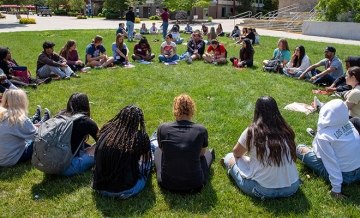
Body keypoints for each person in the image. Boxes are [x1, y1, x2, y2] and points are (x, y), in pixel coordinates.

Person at [221, 96, 300, 199]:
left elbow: (237, 153)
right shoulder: (286, 129)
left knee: (229, 157)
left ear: (257, 111)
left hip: (263, 190)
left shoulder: (252, 131)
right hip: (292, 187)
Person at [297, 99, 360, 199]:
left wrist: (336, 190)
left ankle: (311, 152)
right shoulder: (349, 124)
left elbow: (331, 164)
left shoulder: (324, 136)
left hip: (346, 177)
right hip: (358, 170)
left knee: (299, 148)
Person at [154, 94, 215, 194]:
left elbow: (163, 151)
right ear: (192, 111)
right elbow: (201, 154)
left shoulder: (163, 128)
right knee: (207, 154)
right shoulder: (201, 130)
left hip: (167, 184)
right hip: (196, 185)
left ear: (175, 111)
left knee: (157, 151)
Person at [92, 105, 151, 199]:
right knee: (148, 160)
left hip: (100, 187)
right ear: (138, 121)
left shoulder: (106, 129)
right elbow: (146, 160)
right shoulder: (139, 137)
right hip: (127, 189)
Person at [0, 89, 51, 167]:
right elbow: (39, 136)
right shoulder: (19, 118)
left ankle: (39, 122)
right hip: (11, 159)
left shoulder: (2, 114)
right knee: (42, 139)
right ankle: (43, 123)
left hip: (2, 157)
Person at [56, 92, 99, 176]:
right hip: (67, 168)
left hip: (49, 163)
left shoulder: (59, 115)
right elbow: (102, 141)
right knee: (99, 148)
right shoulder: (85, 121)